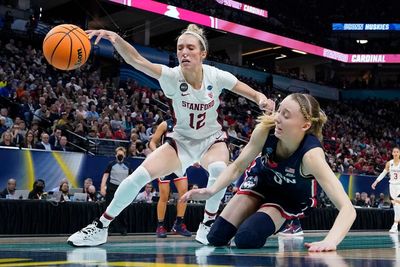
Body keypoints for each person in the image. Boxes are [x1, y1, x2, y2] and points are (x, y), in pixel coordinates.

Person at [67, 23, 274, 247]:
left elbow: (251, 92)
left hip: (211, 140)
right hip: (181, 142)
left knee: (218, 170)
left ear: (202, 53)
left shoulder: (216, 76)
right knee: (136, 178)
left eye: (190, 48)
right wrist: (116, 39)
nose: (184, 52)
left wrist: (262, 99)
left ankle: (207, 224)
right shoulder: (171, 77)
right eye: (180, 48)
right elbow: (137, 61)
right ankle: (101, 226)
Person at [181, 93, 356, 251]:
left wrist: (331, 241)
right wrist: (211, 190)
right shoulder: (265, 131)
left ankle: (284, 220)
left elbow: (347, 208)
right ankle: (254, 210)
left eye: (286, 115)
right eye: (279, 111)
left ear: (305, 125)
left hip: (288, 198)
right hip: (261, 182)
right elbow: (237, 166)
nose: (277, 118)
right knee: (216, 237)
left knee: (246, 238)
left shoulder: (311, 156)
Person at [149, 119, 191, 238]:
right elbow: (152, 142)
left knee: (184, 193)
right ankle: (160, 226)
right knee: (164, 196)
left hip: (180, 163)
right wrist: (157, 153)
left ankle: (178, 224)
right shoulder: (165, 124)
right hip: (165, 162)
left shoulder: (188, 124)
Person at [100, 146, 133, 235]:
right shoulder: (111, 164)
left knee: (123, 209)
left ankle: (123, 229)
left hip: (123, 189)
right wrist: (102, 187)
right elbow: (105, 175)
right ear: (116, 155)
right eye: (118, 154)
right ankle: (109, 228)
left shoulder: (128, 165)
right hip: (112, 188)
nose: (120, 156)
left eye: (121, 155)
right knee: (109, 208)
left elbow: (131, 178)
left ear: (124, 155)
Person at [371, 147, 400, 233]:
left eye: (397, 152)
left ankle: (395, 225)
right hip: (392, 186)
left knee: (397, 205)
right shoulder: (389, 163)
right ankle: (396, 223)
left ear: (399, 154)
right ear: (392, 153)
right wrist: (376, 182)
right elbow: (383, 174)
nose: (395, 153)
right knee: (395, 206)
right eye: (394, 152)